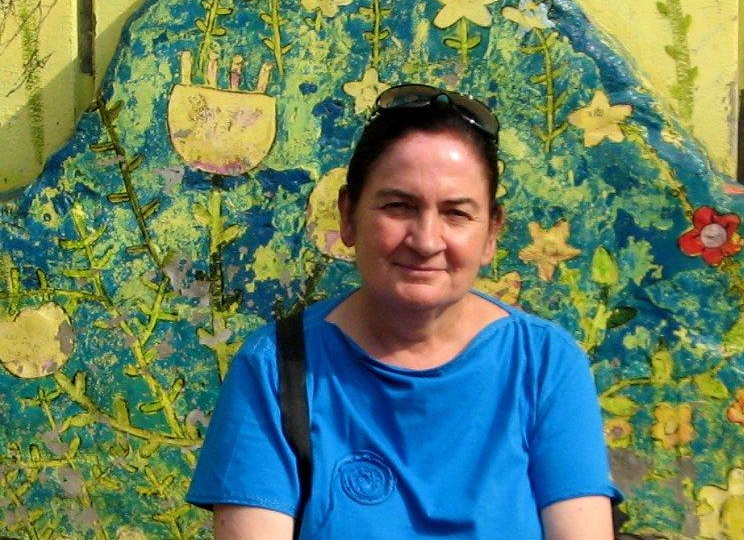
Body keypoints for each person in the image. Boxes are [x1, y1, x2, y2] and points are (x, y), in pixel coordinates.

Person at [187, 83, 622, 539]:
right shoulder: (276, 368)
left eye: (456, 213)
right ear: (348, 215)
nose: (426, 240)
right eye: (398, 206)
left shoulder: (545, 364)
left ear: (492, 233)